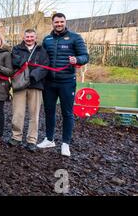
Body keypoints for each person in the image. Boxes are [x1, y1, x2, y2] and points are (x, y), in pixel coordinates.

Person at [37, 13, 89, 157]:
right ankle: (49, 139)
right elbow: (41, 58)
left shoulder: (75, 37)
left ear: (65, 22)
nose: (59, 24)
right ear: (52, 23)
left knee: (67, 113)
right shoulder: (47, 39)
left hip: (67, 81)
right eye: (56, 22)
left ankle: (65, 143)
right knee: (49, 111)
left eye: (61, 22)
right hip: (49, 82)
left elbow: (85, 56)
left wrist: (77, 59)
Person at [9, 29, 49, 152]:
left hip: (36, 85)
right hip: (20, 85)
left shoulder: (41, 51)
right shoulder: (16, 49)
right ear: (23, 36)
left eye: (32, 36)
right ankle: (16, 137)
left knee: (34, 115)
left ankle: (32, 140)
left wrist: (33, 76)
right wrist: (24, 65)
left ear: (35, 37)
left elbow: (45, 66)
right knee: (18, 113)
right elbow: (14, 61)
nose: (29, 39)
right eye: (27, 36)